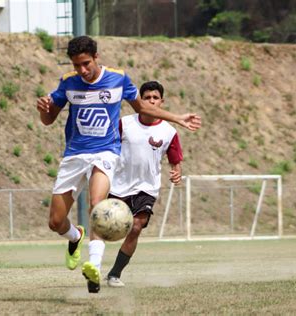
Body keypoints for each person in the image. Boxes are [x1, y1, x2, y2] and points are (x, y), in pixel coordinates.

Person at [36, 35, 200, 293]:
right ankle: (75, 237)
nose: (82, 70)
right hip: (74, 155)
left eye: (86, 64)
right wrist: (43, 108)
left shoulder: (118, 78)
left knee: (96, 205)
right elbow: (48, 119)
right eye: (77, 65)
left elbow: (144, 108)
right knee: (56, 221)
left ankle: (94, 267)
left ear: (96, 57)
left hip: (105, 151)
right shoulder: (68, 83)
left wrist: (177, 118)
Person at [106, 81, 183, 287]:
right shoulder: (125, 123)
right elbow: (106, 146)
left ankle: (114, 274)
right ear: (140, 100)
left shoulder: (168, 131)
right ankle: (92, 263)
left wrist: (176, 172)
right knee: (107, 228)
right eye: (147, 97)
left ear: (161, 101)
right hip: (118, 185)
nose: (151, 101)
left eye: (155, 98)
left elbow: (175, 160)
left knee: (136, 227)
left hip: (147, 187)